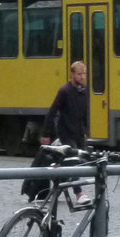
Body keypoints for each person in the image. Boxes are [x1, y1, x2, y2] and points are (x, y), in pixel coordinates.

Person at [40, 61, 91, 207]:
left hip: (79, 132)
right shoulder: (64, 91)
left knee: (85, 159)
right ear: (72, 74)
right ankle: (79, 194)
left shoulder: (84, 90)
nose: (82, 77)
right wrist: (46, 134)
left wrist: (86, 129)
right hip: (66, 131)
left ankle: (56, 172)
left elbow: (84, 111)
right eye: (79, 74)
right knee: (74, 160)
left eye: (84, 74)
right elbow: (52, 111)